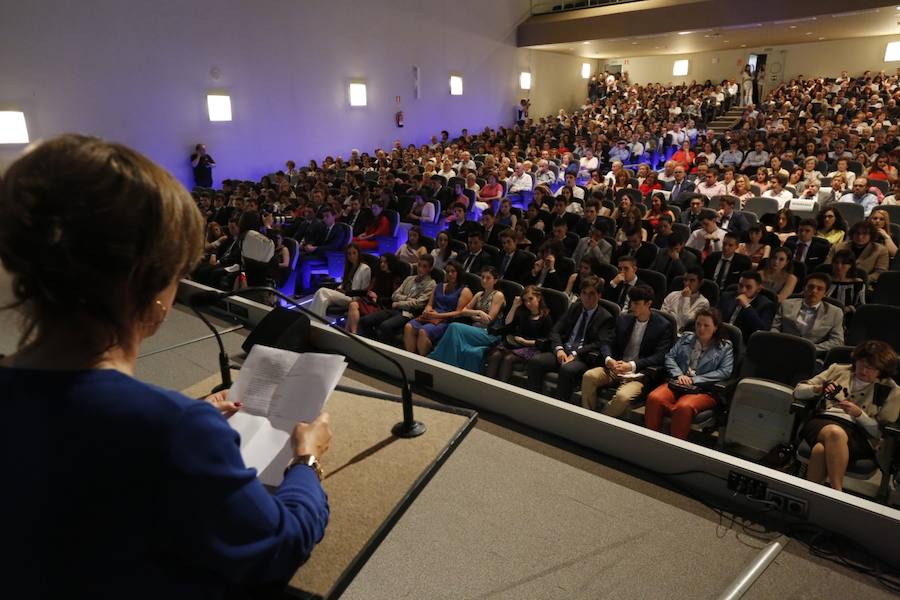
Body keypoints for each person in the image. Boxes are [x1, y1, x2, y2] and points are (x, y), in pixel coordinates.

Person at [0, 134, 331, 593]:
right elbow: (279, 547)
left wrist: (179, 417)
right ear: (150, 283)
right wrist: (307, 459)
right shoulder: (173, 431)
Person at [792, 341, 900, 491]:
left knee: (820, 450)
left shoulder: (891, 390)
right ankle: (837, 493)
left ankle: (814, 497)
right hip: (823, 422)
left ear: (881, 370)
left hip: (860, 434)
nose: (864, 371)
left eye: (871, 368)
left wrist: (859, 415)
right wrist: (818, 388)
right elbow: (798, 392)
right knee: (835, 433)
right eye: (862, 364)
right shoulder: (837, 370)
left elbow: (881, 433)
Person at [580, 285, 675, 416]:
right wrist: (608, 359)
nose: (632, 306)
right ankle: (587, 415)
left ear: (648, 304)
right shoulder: (624, 319)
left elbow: (659, 357)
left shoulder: (663, 326)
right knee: (589, 376)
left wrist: (631, 365)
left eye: (637, 303)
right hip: (615, 367)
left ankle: (599, 421)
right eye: (631, 302)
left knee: (622, 397)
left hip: (638, 375)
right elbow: (606, 342)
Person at [644, 308, 735, 439]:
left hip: (704, 390)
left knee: (683, 406)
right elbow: (670, 357)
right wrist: (678, 374)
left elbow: (724, 372)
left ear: (715, 327)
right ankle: (650, 440)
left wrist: (694, 380)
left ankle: (675, 446)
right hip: (678, 383)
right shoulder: (686, 337)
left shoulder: (725, 347)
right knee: (654, 398)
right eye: (698, 324)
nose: (701, 328)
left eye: (706, 325)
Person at [526, 276, 615, 402]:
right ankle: (532, 402)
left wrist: (575, 354)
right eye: (584, 293)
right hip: (563, 352)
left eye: (591, 294)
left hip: (582, 358)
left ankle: (559, 407)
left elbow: (599, 343)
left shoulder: (605, 317)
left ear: (599, 295)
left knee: (566, 369)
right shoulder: (575, 308)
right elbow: (555, 330)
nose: (587, 297)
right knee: (536, 361)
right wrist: (559, 349)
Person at [429, 266, 507, 371]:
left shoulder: (498, 295)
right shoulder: (479, 294)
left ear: (495, 280)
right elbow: (463, 311)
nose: (484, 280)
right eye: (482, 277)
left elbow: (488, 320)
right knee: (459, 340)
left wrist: (472, 315)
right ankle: (448, 365)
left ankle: (439, 360)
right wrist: (478, 312)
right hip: (475, 330)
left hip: (490, 333)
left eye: (488, 278)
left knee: (454, 327)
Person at [359, 255, 436, 343]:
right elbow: (394, 295)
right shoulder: (409, 279)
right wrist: (408, 299)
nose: (420, 269)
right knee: (364, 321)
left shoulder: (431, 284)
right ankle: (374, 344)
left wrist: (398, 303)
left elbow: (418, 303)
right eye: (419, 265)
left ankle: (385, 348)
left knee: (385, 326)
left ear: (430, 268)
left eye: (424, 266)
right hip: (395, 309)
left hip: (409, 313)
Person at [485, 286, 553, 382]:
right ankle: (487, 384)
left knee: (508, 359)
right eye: (525, 301)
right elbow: (508, 323)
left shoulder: (545, 317)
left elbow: (545, 341)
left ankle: (501, 387)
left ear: (538, 298)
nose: (528, 303)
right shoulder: (523, 313)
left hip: (532, 347)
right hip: (516, 344)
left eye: (530, 299)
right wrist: (514, 306)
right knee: (496, 355)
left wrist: (525, 342)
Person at [403, 259, 471, 355]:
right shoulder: (439, 286)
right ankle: (410, 357)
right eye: (448, 272)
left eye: (453, 271)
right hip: (431, 316)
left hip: (446, 321)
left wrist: (437, 315)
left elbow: (459, 312)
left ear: (459, 273)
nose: (450, 274)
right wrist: (427, 310)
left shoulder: (465, 291)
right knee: (408, 327)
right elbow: (430, 304)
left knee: (423, 331)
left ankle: (424, 360)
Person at [771, 273, 844, 356]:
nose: (814, 291)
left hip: (812, 355)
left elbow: (837, 341)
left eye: (819, 289)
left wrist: (810, 349)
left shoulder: (835, 312)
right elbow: (775, 328)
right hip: (783, 350)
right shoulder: (786, 304)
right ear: (804, 288)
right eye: (810, 287)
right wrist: (780, 344)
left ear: (825, 293)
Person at [346, 254, 404, 334]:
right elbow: (369, 290)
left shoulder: (396, 279)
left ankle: (351, 334)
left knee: (353, 306)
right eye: (381, 262)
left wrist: (378, 299)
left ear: (390, 263)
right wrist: (370, 293)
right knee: (352, 305)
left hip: (383, 305)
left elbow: (394, 298)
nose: (382, 264)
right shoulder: (378, 275)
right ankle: (352, 333)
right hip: (371, 300)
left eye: (385, 262)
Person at [309, 244, 371, 317]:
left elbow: (364, 291)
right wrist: (338, 289)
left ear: (359, 253)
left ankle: (312, 319)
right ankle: (316, 321)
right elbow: (345, 283)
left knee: (322, 291)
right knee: (323, 298)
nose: (352, 256)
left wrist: (347, 292)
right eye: (349, 254)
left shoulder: (365, 268)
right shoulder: (350, 267)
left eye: (354, 253)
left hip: (354, 299)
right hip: (344, 294)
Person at [718, 270, 776, 342]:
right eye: (740, 286)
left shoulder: (766, 305)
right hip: (720, 337)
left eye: (748, 287)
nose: (743, 290)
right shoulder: (727, 296)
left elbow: (761, 331)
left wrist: (747, 306)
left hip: (743, 342)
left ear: (758, 289)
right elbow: (715, 317)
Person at [825, 221, 890, 285]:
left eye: (865, 234)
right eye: (857, 233)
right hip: (835, 282)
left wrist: (863, 279)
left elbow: (880, 272)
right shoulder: (838, 247)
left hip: (865, 284)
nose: (860, 237)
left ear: (871, 235)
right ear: (852, 234)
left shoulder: (881, 250)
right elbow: (827, 266)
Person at [661, 266, 711, 332]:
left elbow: (686, 322)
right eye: (685, 280)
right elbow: (662, 316)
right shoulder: (673, 295)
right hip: (665, 330)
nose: (687, 284)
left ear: (700, 283)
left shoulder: (703, 303)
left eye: (692, 281)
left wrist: (686, 298)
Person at [827, 250, 867, 317]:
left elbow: (861, 304)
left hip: (847, 316)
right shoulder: (825, 280)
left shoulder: (857, 283)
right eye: (836, 262)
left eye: (844, 263)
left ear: (851, 265)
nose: (839, 266)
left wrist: (848, 309)